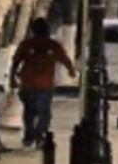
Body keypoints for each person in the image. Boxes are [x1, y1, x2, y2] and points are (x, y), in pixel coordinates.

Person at [10, 18, 76, 149]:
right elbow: (65, 60)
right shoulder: (52, 45)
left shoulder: (27, 44)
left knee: (29, 112)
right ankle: (40, 136)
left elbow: (15, 62)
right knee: (44, 113)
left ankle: (29, 136)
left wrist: (12, 79)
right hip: (45, 85)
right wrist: (71, 71)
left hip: (28, 83)